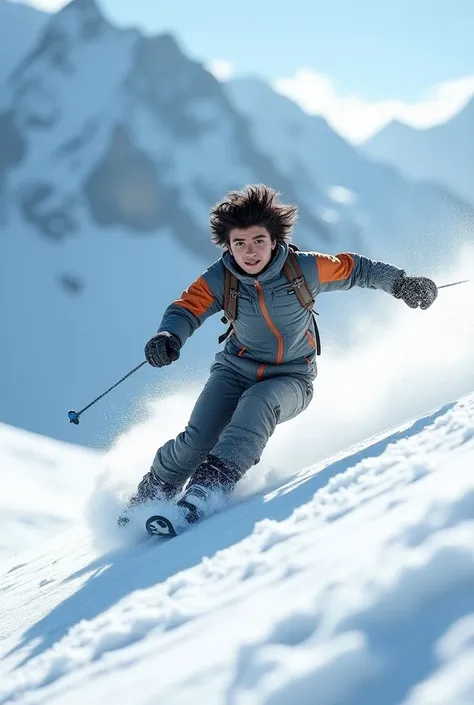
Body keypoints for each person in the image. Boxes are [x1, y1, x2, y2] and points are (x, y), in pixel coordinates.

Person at [119, 184, 438, 525]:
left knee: (257, 405)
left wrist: (401, 283)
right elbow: (187, 309)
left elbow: (356, 269)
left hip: (292, 377)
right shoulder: (220, 279)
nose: (250, 251)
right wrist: (168, 335)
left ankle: (207, 488)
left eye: (258, 240)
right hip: (233, 370)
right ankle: (148, 497)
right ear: (228, 247)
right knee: (197, 438)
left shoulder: (304, 269)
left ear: (274, 240)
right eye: (239, 243)